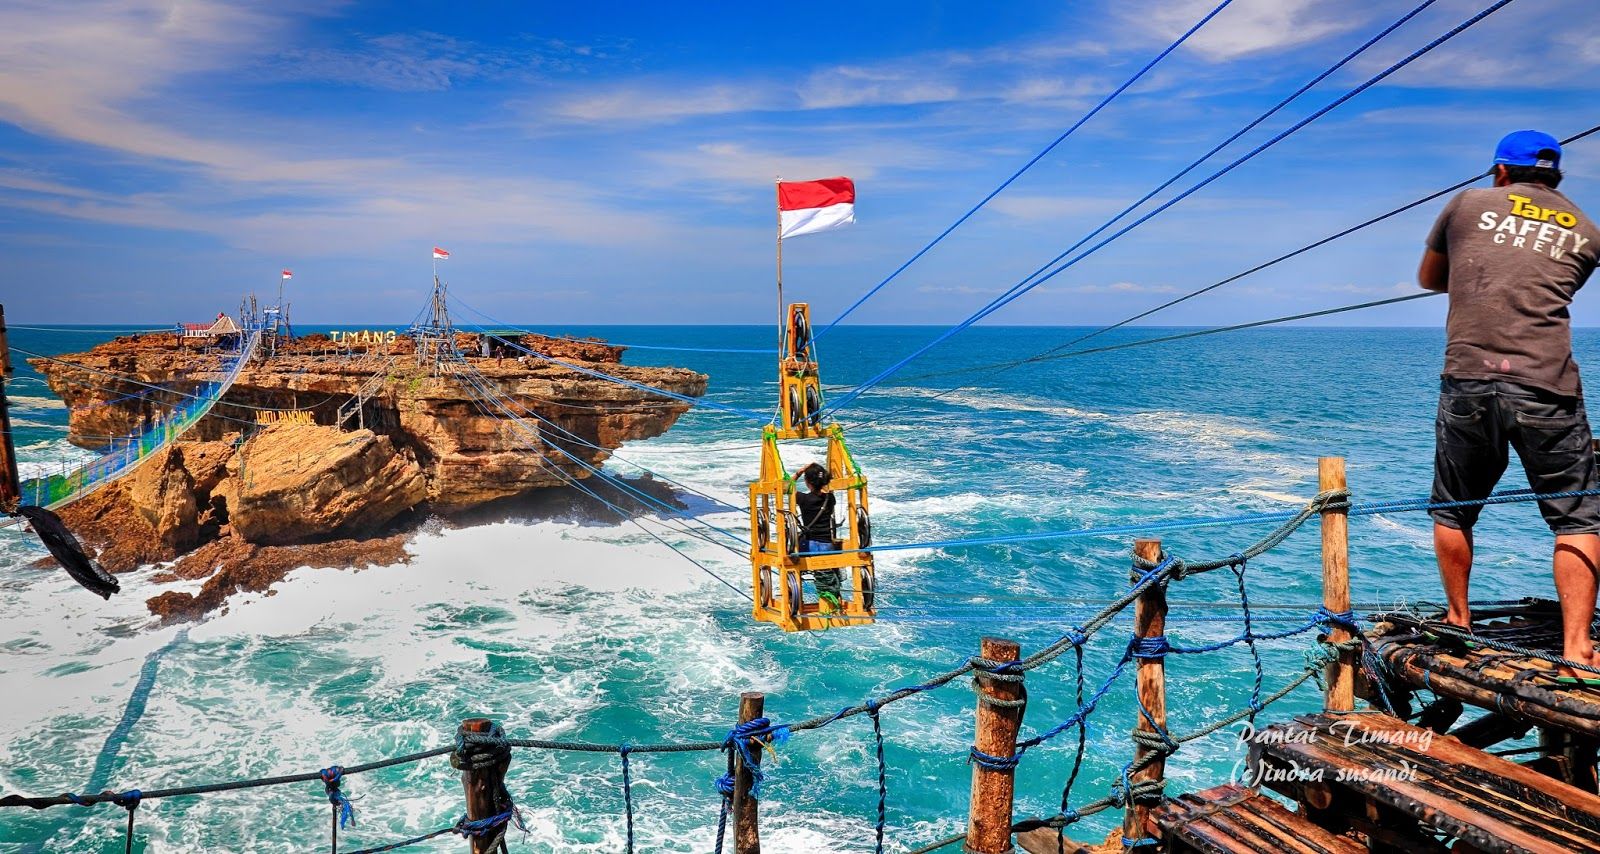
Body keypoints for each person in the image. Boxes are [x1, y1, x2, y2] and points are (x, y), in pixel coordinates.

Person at [1421, 129, 1600, 679]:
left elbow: (1430, 279)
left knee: (1454, 506)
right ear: (1557, 177)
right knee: (1577, 515)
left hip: (1470, 378)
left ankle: (1458, 619)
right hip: (1547, 384)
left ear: (1501, 171)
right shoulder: (1589, 232)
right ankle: (1576, 647)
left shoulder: (1468, 204)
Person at [794, 462, 843, 600]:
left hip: (809, 547)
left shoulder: (803, 499)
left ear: (808, 482)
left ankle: (793, 593)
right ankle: (833, 596)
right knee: (827, 575)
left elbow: (787, 487)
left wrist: (800, 471)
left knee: (789, 553)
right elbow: (826, 490)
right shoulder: (830, 499)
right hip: (828, 546)